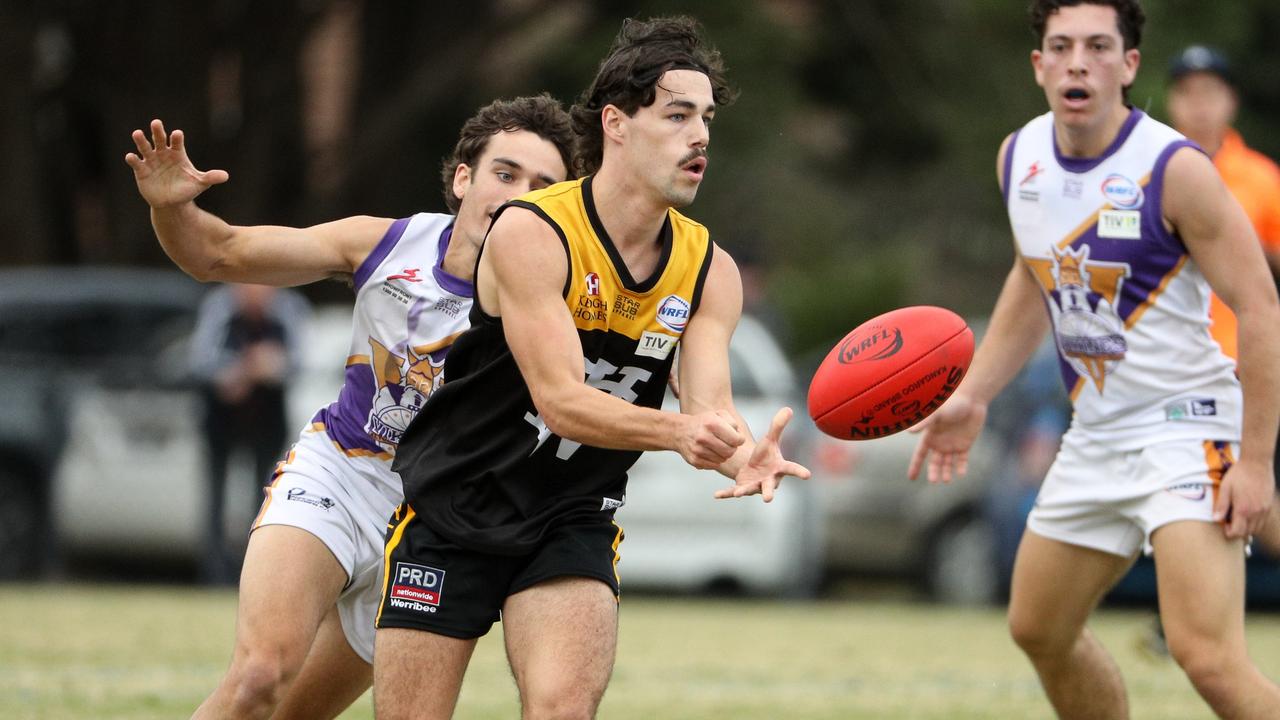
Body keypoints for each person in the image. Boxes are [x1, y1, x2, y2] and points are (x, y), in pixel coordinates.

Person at [374, 17, 810, 719]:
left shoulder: (710, 270)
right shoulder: (534, 231)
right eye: (677, 116)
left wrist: (740, 453)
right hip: (456, 504)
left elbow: (707, 405)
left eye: (706, 118)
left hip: (570, 516)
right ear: (617, 123)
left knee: (562, 708)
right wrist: (675, 433)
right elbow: (561, 402)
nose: (700, 136)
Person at [125, 95, 574, 720]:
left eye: (544, 187)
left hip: (431, 521)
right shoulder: (384, 244)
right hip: (339, 474)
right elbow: (216, 253)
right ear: (464, 178)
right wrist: (173, 207)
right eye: (506, 173)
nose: (521, 194)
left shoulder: (562, 297)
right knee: (260, 676)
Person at [908, 1, 1280, 718]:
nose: (1079, 60)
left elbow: (1262, 306)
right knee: (1038, 628)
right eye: (1062, 46)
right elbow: (1031, 275)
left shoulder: (1176, 169)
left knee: (1208, 660)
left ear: (1129, 65)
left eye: (1099, 46)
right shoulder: (1019, 156)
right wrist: (975, 394)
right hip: (1097, 434)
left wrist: (1256, 462)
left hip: (1186, 426)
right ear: (1039, 65)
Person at [1166, 44, 1280, 554]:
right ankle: (1183, 619)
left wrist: (1240, 249)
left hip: (1238, 360)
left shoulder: (1260, 179)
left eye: (1210, 93)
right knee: (1195, 490)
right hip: (1167, 360)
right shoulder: (1151, 171)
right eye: (1188, 94)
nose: (1199, 106)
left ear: (1230, 102)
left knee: (1241, 489)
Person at [188, 282, 309, 584]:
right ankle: (214, 575)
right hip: (221, 418)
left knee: (265, 496)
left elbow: (298, 363)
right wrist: (234, 372)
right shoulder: (219, 307)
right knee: (215, 497)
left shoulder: (288, 309)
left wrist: (270, 366)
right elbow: (199, 359)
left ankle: (255, 573)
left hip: (267, 418)